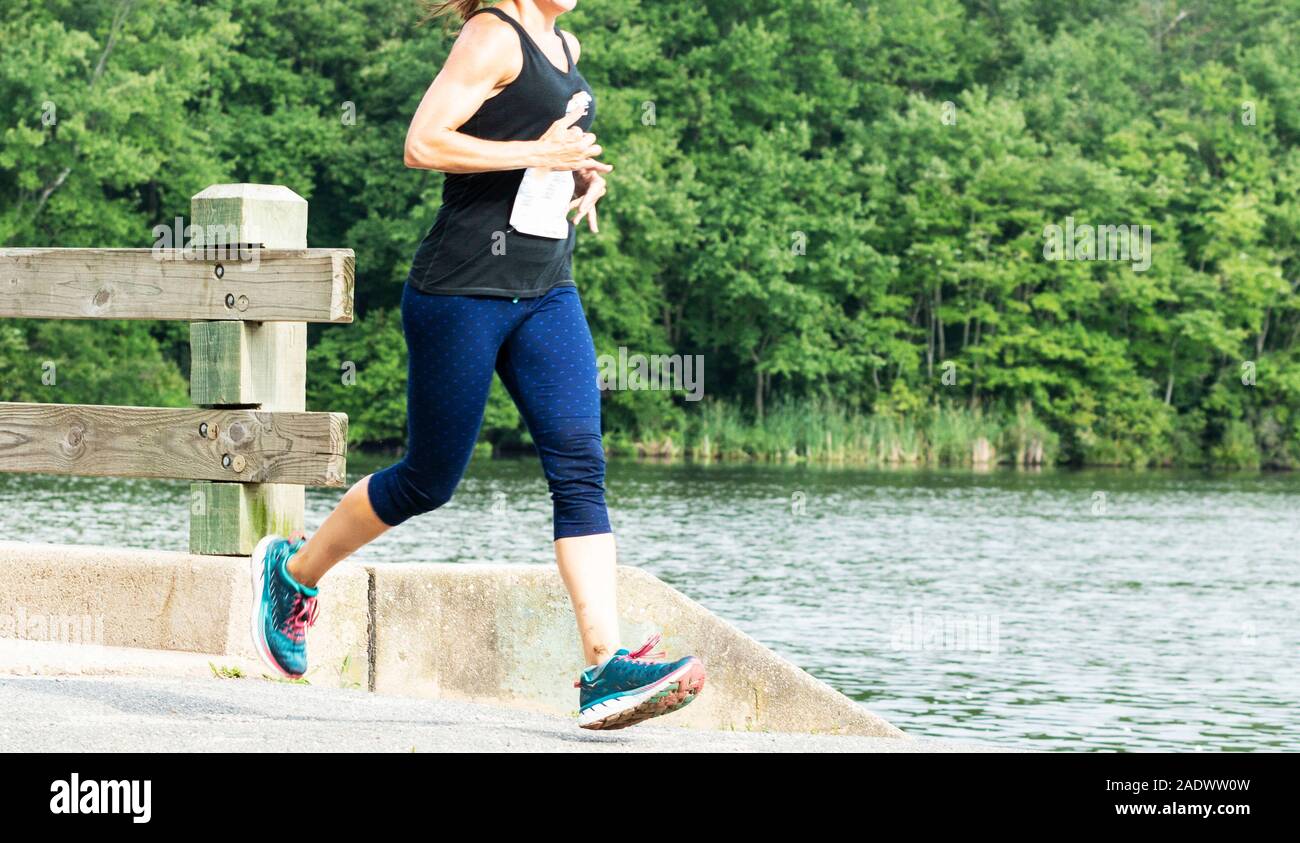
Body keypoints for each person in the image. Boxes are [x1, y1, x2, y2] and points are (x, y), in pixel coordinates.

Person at [247, 0, 705, 730]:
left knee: (581, 461)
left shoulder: (564, 43)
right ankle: (292, 574)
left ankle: (604, 665)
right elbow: (423, 142)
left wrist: (580, 176)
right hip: (461, 289)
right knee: (429, 480)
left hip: (547, 288)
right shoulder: (493, 36)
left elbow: (540, 152)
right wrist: (540, 155)